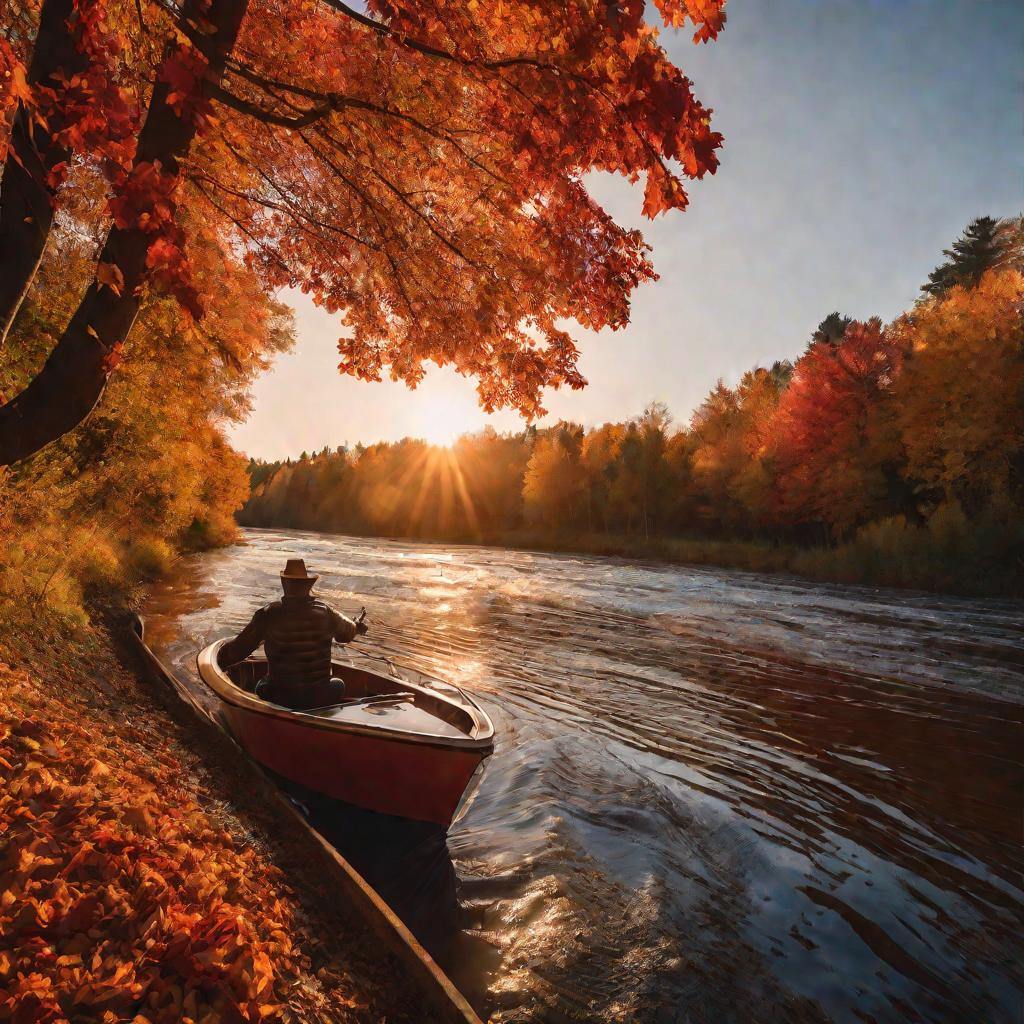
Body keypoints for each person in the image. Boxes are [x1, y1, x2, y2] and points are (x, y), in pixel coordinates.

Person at [218, 558, 368, 710]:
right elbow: (347, 634)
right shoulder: (326, 612)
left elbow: (237, 652)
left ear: (285, 584)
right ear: (308, 586)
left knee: (261, 686)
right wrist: (357, 626)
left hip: (281, 698)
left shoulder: (269, 613)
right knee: (339, 684)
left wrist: (218, 659)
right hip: (321, 696)